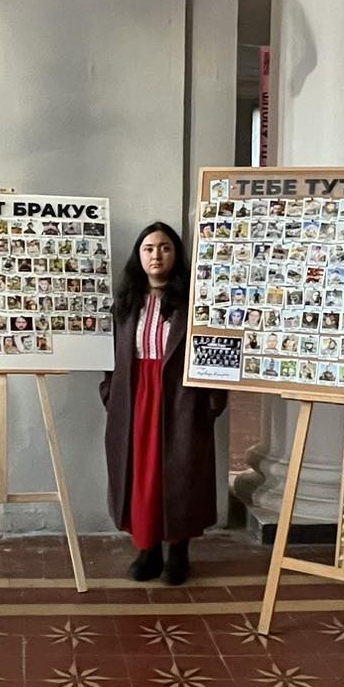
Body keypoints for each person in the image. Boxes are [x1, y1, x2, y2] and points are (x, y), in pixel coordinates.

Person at [100, 221, 226, 585]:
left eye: (166, 247)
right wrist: (110, 392)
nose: (157, 255)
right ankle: (148, 549)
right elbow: (109, 356)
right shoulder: (125, 304)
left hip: (181, 399)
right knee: (141, 475)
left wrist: (212, 403)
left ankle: (179, 552)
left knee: (180, 473)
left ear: (177, 254)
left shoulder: (196, 302)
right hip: (135, 397)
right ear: (139, 256)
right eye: (149, 248)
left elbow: (217, 352)